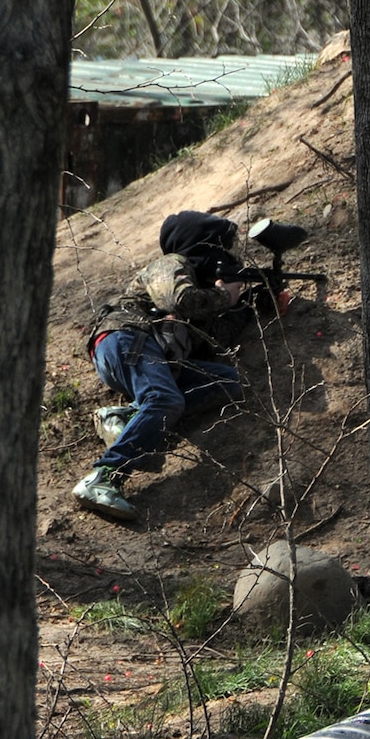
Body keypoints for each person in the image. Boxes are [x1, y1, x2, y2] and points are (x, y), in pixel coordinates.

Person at [72, 211, 250, 522]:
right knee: (164, 399)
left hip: (147, 354)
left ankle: (126, 416)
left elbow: (212, 342)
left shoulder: (197, 284)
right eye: (217, 248)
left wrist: (249, 306)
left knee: (227, 383)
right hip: (125, 338)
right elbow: (180, 300)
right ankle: (103, 477)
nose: (223, 256)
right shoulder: (170, 264)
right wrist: (224, 296)